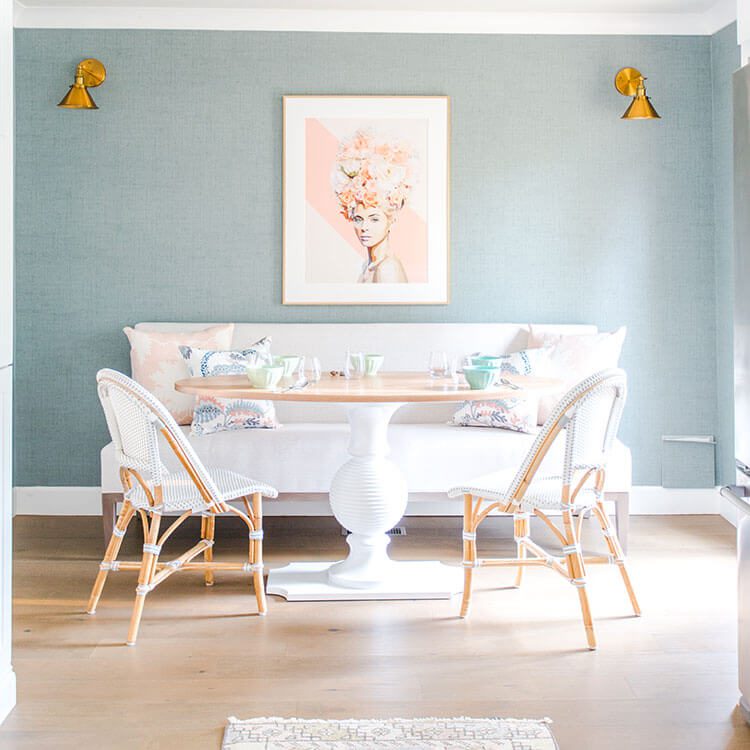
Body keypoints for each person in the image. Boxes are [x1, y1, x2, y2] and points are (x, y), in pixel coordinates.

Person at [331, 130, 415, 284]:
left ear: (391, 219)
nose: (364, 227)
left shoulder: (387, 269)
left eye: (374, 219)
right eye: (358, 219)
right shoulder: (368, 266)